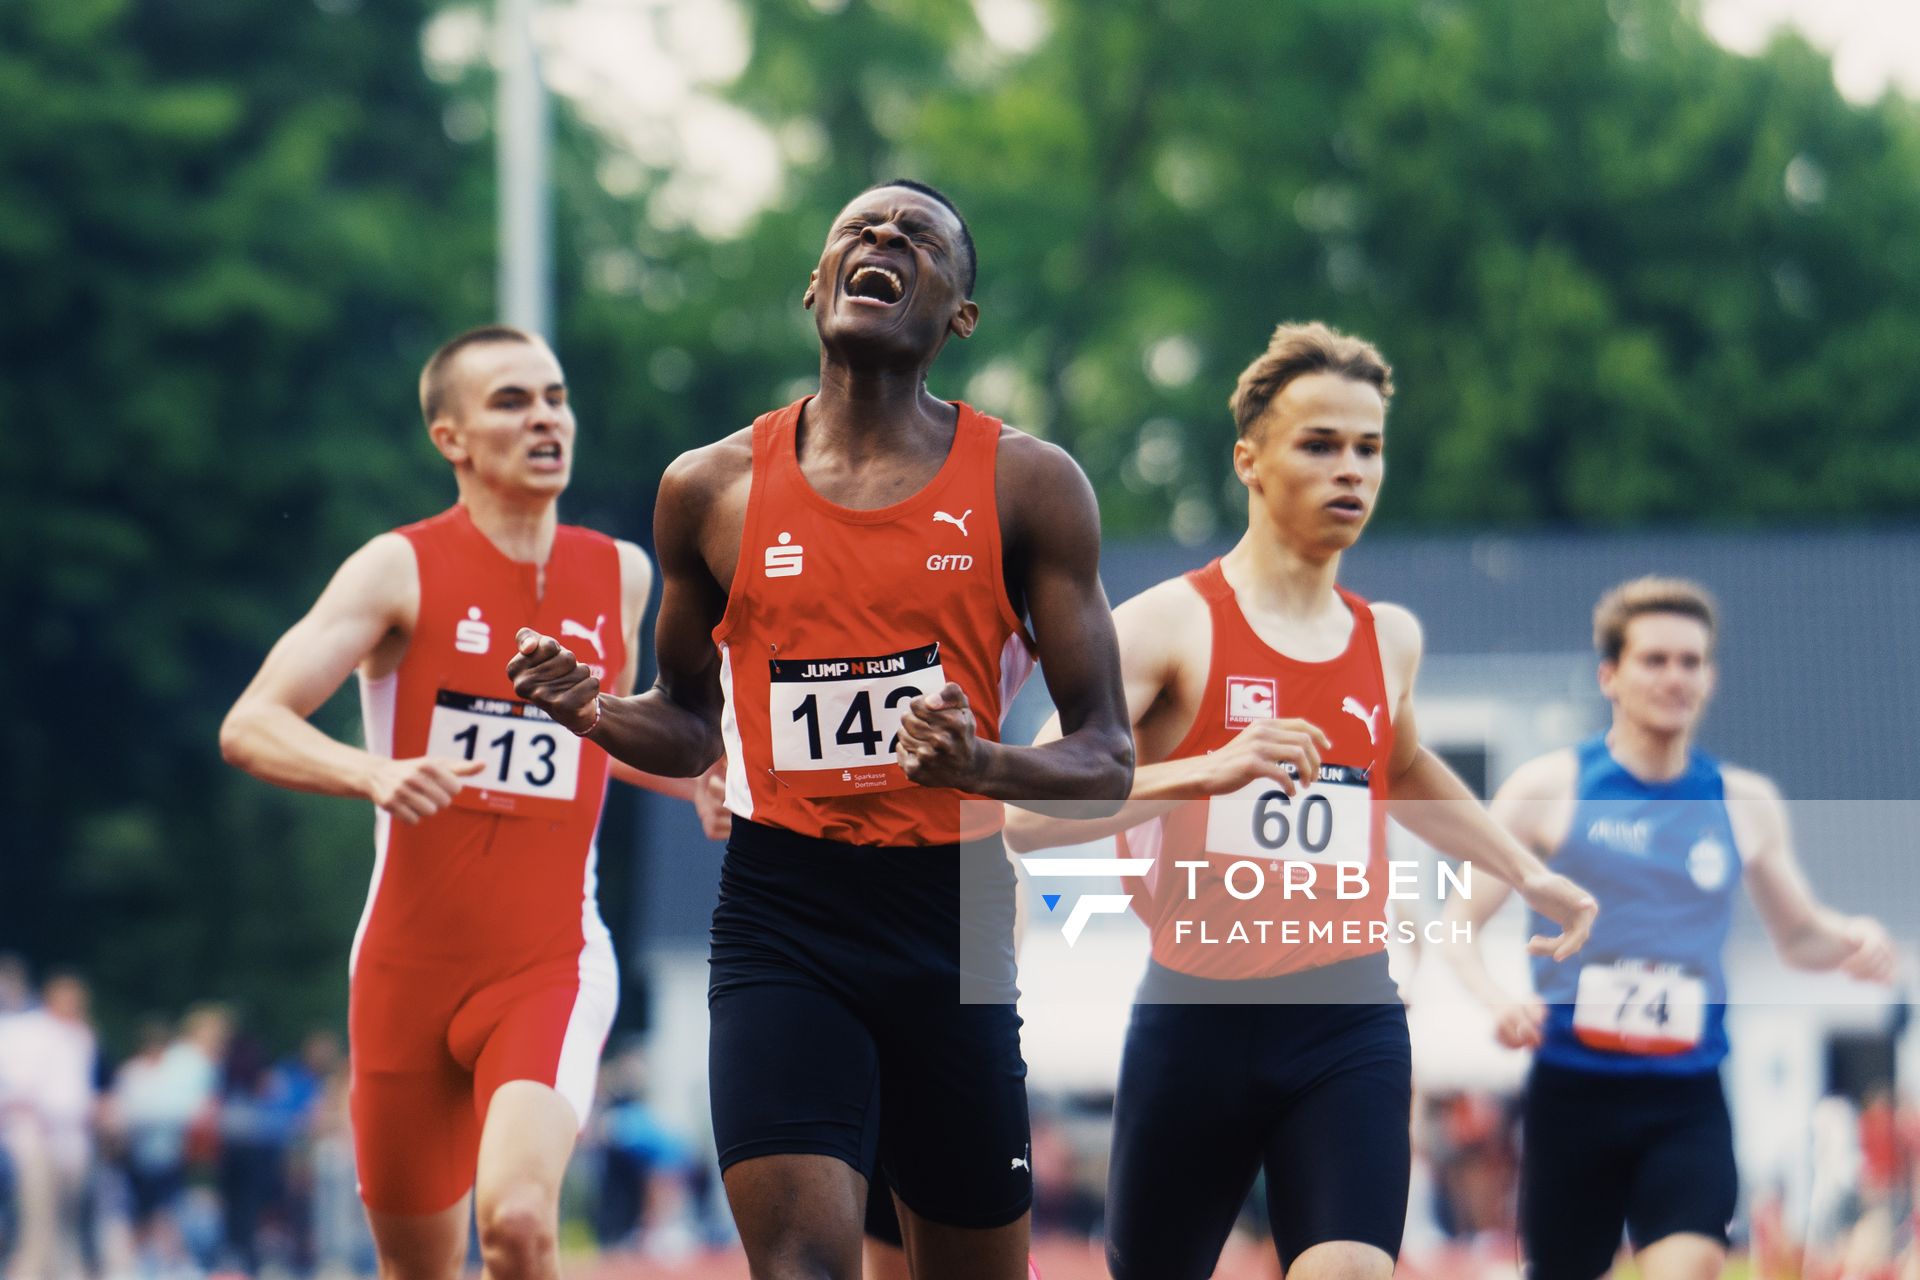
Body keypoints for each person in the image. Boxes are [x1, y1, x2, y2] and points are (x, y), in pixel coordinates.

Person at [509, 179, 1132, 1280]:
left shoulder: (1030, 485)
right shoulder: (710, 488)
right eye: (859, 227)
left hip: (950, 913)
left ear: (960, 315)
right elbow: (691, 725)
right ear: (816, 283)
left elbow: (1108, 757)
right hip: (784, 908)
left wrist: (981, 762)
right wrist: (595, 711)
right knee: (803, 1265)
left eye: (918, 236)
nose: (883, 235)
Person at [1002, 321, 1598, 1280]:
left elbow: (1403, 769)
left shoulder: (1388, 639)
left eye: (1369, 448)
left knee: (1352, 1269)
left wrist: (1529, 874)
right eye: (1319, 445)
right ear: (1250, 460)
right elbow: (1028, 812)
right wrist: (1209, 769)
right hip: (1196, 1013)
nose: (1350, 470)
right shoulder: (1169, 624)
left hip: (1347, 1015)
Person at [220, 326, 706, 1280]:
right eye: (511, 402)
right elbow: (252, 723)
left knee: (518, 1224)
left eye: (556, 398)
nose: (545, 419)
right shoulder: (396, 568)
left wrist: (704, 782)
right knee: (419, 1268)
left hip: (549, 962)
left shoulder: (620, 573)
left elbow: (606, 741)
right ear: (451, 437)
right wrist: (371, 772)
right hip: (404, 974)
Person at [1446, 575, 1898, 1280]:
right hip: (1574, 1094)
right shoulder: (1550, 789)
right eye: (1654, 660)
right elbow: (1459, 923)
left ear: (1710, 678)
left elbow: (1798, 936)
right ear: (1610, 676)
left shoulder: (1742, 801)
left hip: (1686, 1098)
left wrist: (1850, 938)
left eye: (1691, 661)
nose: (1674, 677)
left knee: (1689, 1267)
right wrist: (1495, 1000)